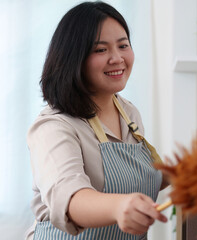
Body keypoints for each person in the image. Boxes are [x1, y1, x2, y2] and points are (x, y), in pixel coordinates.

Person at [26, 2, 168, 239]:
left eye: (123, 45)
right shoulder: (53, 127)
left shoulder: (128, 112)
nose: (117, 58)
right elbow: (70, 198)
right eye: (100, 50)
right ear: (74, 58)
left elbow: (135, 176)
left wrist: (191, 170)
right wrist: (119, 207)